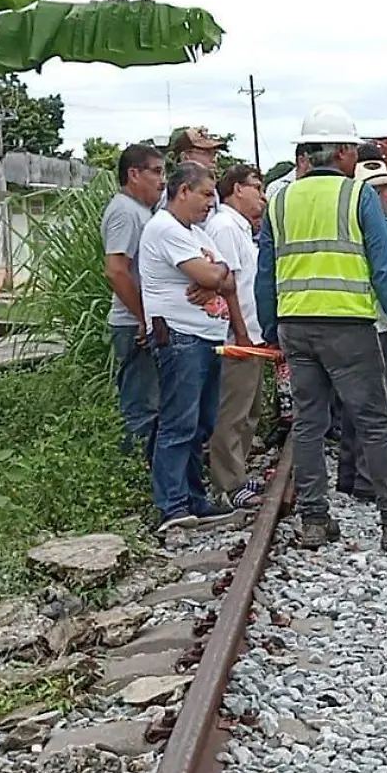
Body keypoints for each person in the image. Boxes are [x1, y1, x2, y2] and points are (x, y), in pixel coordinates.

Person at [270, 104, 387, 550]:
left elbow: (261, 272)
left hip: (295, 322)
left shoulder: (280, 200)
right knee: (374, 421)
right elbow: (385, 270)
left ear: (308, 153)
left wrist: (272, 331)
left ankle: (314, 520)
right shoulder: (356, 196)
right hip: (347, 324)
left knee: (308, 424)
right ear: (346, 152)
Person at [140, 163, 248, 531]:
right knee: (178, 422)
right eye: (205, 194)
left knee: (201, 423)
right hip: (179, 336)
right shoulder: (166, 229)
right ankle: (172, 506)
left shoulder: (196, 233)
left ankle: (194, 499)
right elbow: (212, 275)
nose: (210, 202)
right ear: (182, 191)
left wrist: (215, 278)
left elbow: (229, 279)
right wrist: (212, 276)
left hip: (204, 337)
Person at [334, 157, 387, 501]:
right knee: (376, 407)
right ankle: (369, 479)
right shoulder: (375, 225)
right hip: (374, 321)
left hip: (348, 318)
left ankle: (349, 475)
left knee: (352, 406)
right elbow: (386, 276)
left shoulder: (343, 221)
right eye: (385, 190)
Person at [205, 163, 270, 508]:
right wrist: (241, 334)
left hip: (251, 333)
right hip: (236, 335)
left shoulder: (241, 228)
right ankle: (227, 485)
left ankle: (238, 474)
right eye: (256, 187)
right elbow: (226, 285)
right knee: (232, 412)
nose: (261, 195)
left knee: (249, 410)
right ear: (236, 189)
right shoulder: (225, 228)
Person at [104, 144, 166, 461]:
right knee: (142, 407)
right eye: (155, 171)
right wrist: (144, 317)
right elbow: (116, 270)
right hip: (133, 325)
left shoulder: (142, 212)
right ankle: (137, 482)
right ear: (133, 174)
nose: (162, 180)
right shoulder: (125, 212)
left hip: (143, 322)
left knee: (153, 404)